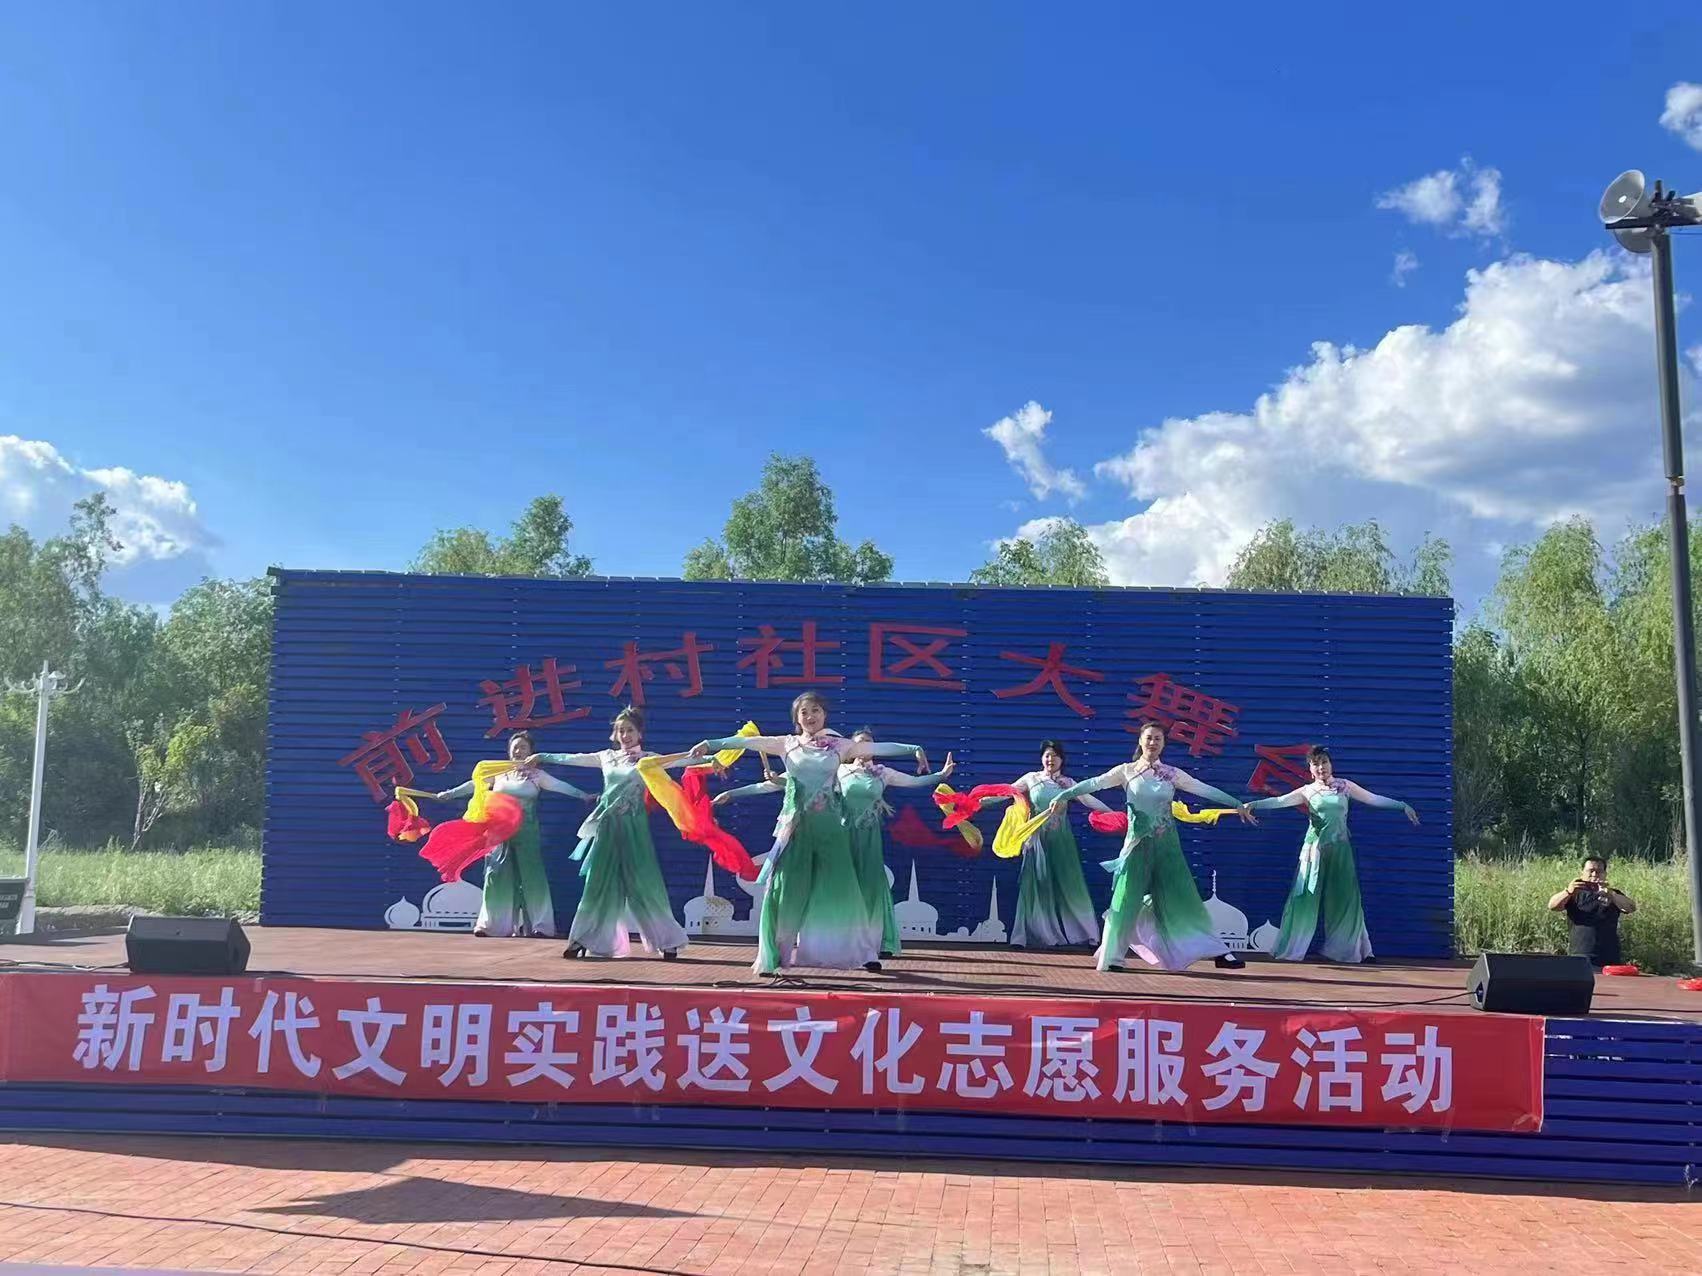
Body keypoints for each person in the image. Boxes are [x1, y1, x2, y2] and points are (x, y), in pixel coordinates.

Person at [691, 691, 934, 975]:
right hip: (796, 827)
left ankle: (862, 952)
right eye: (804, 712)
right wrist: (710, 744)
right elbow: (745, 742)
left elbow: (879, 748)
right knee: (785, 889)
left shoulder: (840, 746)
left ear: (824, 714)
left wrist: (913, 748)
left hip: (830, 827)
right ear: (796, 718)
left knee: (844, 888)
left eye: (815, 710)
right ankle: (776, 955)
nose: (810, 716)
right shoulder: (786, 743)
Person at [1049, 722, 1251, 972]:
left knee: (1185, 899)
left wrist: (1235, 803)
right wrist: (1063, 795)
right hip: (1137, 846)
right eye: (1149, 738)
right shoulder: (1126, 771)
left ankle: (1219, 952)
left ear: (1163, 744)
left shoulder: (1172, 774)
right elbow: (1094, 783)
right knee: (1125, 900)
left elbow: (1203, 788)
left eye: (1158, 739)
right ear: (1140, 741)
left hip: (1167, 846)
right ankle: (1112, 957)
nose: (1153, 743)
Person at [528, 706, 694, 960]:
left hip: (635, 828)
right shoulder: (606, 757)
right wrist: (543, 756)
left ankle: (668, 941)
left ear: (640, 733)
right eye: (621, 731)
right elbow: (572, 758)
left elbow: (683, 759)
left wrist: (711, 759)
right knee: (597, 883)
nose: (625, 735)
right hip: (607, 827)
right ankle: (582, 939)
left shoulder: (648, 759)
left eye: (630, 730)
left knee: (645, 882)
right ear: (615, 734)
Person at [1243, 745, 1418, 965]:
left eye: (1324, 762)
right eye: (1316, 764)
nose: (1321, 767)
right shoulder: (1306, 791)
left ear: (1331, 764)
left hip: (1341, 849)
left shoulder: (1345, 786)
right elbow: (1279, 802)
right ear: (1310, 768)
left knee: (1346, 899)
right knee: (1305, 898)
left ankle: (1350, 950)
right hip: (1314, 851)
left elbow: (1373, 799)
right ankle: (1292, 948)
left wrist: (1401, 806)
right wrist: (1253, 804)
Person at [431, 730, 593, 938]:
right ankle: (491, 926)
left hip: (527, 832)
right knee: (495, 875)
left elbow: (560, 786)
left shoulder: (537, 775)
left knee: (533, 877)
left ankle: (540, 926)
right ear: (509, 751)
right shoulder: (499, 772)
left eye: (523, 747)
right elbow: (474, 784)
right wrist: (448, 794)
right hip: (498, 833)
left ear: (531, 752)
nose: (518, 751)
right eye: (515, 747)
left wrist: (583, 795)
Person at [998, 740, 1110, 949]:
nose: (1051, 759)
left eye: (1055, 755)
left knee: (1071, 885)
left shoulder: (1068, 783)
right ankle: (1021, 937)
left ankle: (1090, 935)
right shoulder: (1031, 779)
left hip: (1061, 840)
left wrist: (1114, 814)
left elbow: (1089, 800)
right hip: (1036, 841)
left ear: (1062, 759)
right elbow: (1007, 792)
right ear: (1042, 758)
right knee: (1032, 886)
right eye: (1047, 755)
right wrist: (980, 800)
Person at [1548, 856, 1637, 967]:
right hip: (1580, 957)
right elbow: (1552, 906)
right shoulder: (1574, 893)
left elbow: (1631, 907)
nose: (1594, 875)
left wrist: (1611, 894)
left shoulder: (1612, 894)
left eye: (1599, 871)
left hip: (1609, 959)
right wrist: (1568, 892)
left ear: (1605, 874)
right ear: (1582, 873)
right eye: (1590, 871)